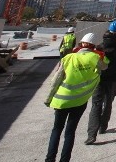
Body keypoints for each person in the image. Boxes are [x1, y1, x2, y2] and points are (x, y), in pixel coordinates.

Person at [45, 32, 107, 162]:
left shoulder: (69, 58)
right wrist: (101, 54)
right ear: (93, 46)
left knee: (56, 130)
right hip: (79, 101)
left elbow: (55, 80)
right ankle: (65, 160)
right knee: (70, 132)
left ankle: (50, 159)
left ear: (82, 44)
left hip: (61, 100)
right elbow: (105, 66)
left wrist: (48, 98)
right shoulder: (94, 58)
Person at [85, 20, 116, 144]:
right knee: (108, 103)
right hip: (113, 79)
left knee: (96, 105)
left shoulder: (99, 46)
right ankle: (103, 127)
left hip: (99, 79)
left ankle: (91, 134)